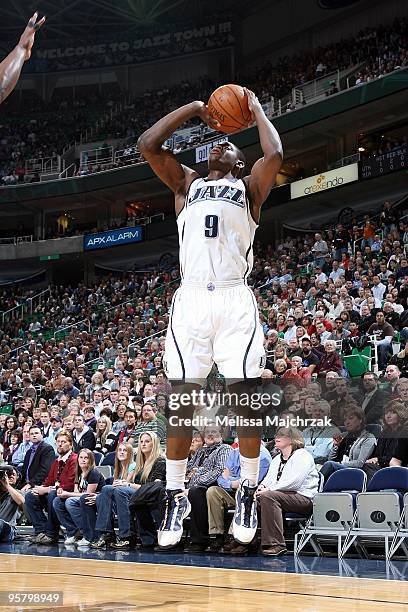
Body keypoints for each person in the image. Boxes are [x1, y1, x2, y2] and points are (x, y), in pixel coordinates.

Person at [138, 87, 283, 548]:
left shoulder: (249, 188)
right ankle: (176, 493)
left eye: (227, 145)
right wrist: (195, 109)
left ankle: (246, 486)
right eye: (215, 143)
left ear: (240, 162)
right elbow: (148, 145)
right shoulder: (187, 185)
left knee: (244, 391)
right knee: (181, 396)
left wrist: (253, 107)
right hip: (191, 300)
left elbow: (275, 151)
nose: (218, 146)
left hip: (234, 297)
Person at [256, 427, 319, 556]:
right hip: (281, 495)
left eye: (282, 435)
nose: (276, 437)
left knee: (268, 496)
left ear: (292, 440)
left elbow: (294, 483)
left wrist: (268, 490)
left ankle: (276, 544)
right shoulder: (276, 459)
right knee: (254, 499)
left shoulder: (302, 455)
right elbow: (268, 480)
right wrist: (260, 488)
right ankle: (249, 542)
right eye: (276, 434)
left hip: (303, 498)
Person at [24, 431, 77, 544]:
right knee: (30, 496)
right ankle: (41, 532)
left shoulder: (74, 460)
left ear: (71, 444)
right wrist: (40, 489)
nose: (60, 444)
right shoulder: (57, 461)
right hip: (55, 492)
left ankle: (51, 534)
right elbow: (49, 481)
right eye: (58, 442)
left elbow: (69, 485)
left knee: (53, 494)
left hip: (68, 495)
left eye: (63, 442)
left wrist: (47, 489)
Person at [52, 448, 105, 546]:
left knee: (70, 502)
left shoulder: (94, 472)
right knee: (57, 501)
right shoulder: (78, 473)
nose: (83, 460)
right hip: (82, 499)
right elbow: (77, 492)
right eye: (81, 457)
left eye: (86, 458)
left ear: (91, 460)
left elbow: (88, 494)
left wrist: (67, 494)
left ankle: (89, 534)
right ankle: (73, 531)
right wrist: (62, 491)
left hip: (95, 500)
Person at [89, 442, 137, 549]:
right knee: (105, 490)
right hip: (120, 495)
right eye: (120, 450)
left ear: (130, 453)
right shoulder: (118, 468)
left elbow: (124, 486)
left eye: (125, 450)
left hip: (130, 494)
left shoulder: (133, 466)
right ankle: (106, 534)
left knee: (107, 489)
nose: (121, 452)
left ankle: (119, 535)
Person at [130, 432, 167, 549]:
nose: (143, 444)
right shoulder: (140, 463)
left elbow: (154, 486)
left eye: (147, 441)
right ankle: (142, 539)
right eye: (141, 442)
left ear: (154, 443)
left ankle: (129, 536)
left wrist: (129, 485)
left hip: (154, 496)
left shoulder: (160, 461)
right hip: (140, 494)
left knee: (132, 498)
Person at [320, 407, 376, 480]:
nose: (347, 422)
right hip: (339, 469)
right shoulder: (343, 436)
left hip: (355, 472)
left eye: (351, 418)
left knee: (329, 465)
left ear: (360, 420)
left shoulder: (368, 438)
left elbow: (360, 463)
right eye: (345, 420)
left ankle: (316, 486)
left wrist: (340, 464)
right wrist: (336, 446)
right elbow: (331, 459)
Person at [20, 426, 55, 492]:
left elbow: (45, 470)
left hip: (39, 485)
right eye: (32, 434)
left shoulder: (47, 449)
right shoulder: (29, 451)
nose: (34, 435)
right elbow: (24, 470)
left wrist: (31, 484)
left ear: (41, 435)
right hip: (26, 484)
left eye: (36, 433)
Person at [0, 466, 25, 542]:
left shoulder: (19, 493)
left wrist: (7, 485)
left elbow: (21, 501)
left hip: (8, 530)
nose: (10, 476)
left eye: (13, 474)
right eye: (7, 474)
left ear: (17, 478)